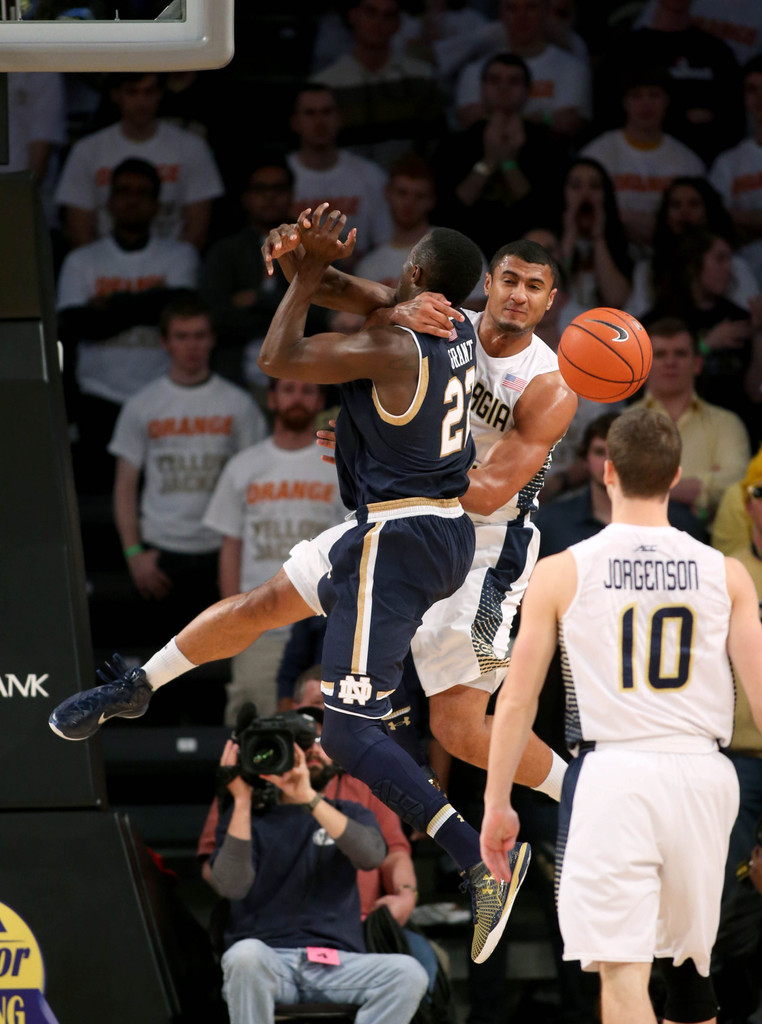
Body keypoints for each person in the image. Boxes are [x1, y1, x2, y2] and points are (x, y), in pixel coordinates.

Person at [51, 211, 543, 965]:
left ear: (416, 275)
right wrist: (302, 261)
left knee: (346, 731)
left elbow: (278, 356)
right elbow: (353, 291)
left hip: (402, 535)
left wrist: (310, 271)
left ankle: (477, 859)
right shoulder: (452, 328)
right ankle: (139, 686)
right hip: (409, 526)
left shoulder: (390, 338)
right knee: (262, 605)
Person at [480, 405, 762, 1024]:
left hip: (615, 774)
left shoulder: (559, 572)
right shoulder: (729, 574)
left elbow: (518, 700)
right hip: (704, 774)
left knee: (623, 973)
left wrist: (497, 801)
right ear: (676, 473)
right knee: (694, 977)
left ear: (607, 471)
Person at [208, 724, 429, 1024]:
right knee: (243, 957)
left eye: (319, 743)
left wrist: (309, 798)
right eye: (299, 743)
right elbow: (231, 886)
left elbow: (372, 857)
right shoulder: (248, 819)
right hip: (270, 960)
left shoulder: (351, 811)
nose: (311, 750)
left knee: (408, 974)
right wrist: (243, 799)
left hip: (339, 963)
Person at [107, 292, 267, 637]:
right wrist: (134, 554)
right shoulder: (142, 405)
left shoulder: (238, 405)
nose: (191, 346)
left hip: (220, 552)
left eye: (199, 335)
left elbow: (257, 486)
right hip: (161, 554)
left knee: (221, 665)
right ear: (165, 342)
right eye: (181, 336)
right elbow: (124, 487)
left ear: (212, 339)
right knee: (160, 674)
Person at [202, 378, 345, 725]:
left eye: (307, 390)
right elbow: (231, 547)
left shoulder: (337, 464)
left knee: (327, 735)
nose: (298, 397)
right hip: (258, 625)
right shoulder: (243, 465)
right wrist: (235, 619)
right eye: (289, 389)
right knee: (254, 730)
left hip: (320, 624)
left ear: (319, 401)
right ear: (272, 399)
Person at [56, 156, 200, 493]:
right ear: (109, 202)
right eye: (123, 191)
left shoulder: (179, 256)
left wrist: (112, 305)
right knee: (98, 499)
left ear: (156, 204)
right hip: (97, 398)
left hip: (162, 395)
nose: (132, 199)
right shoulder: (82, 261)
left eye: (142, 192)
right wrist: (151, 303)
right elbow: (77, 325)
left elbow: (180, 309)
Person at [54, 71, 225, 251]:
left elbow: (197, 230)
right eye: (132, 92)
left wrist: (176, 266)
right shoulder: (87, 151)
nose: (142, 102)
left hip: (172, 268)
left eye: (149, 92)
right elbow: (79, 229)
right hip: (103, 270)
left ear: (161, 93)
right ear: (116, 95)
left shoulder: (192, 148)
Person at [433, 52, 568, 261]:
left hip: (525, 259)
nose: (503, 88)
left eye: (514, 81)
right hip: (466, 256)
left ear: (527, 91)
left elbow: (544, 217)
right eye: (494, 80)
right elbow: (446, 214)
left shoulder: (548, 147)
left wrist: (508, 163)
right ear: (482, 89)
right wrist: (488, 162)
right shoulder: (454, 145)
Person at [630, 316, 751, 523]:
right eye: (660, 354)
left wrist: (650, 487)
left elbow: (736, 482)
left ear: (697, 364)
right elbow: (618, 485)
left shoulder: (727, 423)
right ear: (644, 365)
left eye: (680, 353)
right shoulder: (624, 423)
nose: (670, 362)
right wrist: (704, 486)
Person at [535, 411, 707, 554]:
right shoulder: (551, 522)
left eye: (618, 452)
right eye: (599, 451)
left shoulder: (681, 523)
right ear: (585, 459)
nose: (608, 461)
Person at [580, 65, 705, 253]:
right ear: (624, 102)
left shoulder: (688, 162)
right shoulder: (597, 154)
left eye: (654, 95)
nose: (646, 105)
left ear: (667, 101)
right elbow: (582, 214)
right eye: (636, 96)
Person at [310, 0, 447, 170]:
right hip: (347, 189)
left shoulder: (422, 77)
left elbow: (436, 143)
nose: (378, 23)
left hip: (406, 188)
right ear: (353, 16)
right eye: (370, 12)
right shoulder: (326, 84)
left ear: (397, 23)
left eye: (388, 16)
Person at [453, 0, 593, 141]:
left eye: (531, 7)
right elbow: (470, 118)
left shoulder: (572, 68)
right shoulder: (475, 69)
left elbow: (570, 122)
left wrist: (502, 119)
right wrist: (543, 118)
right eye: (512, 8)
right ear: (501, 14)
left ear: (545, 11)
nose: (522, 17)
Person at [286, 83, 392, 266]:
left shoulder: (370, 175)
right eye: (310, 113)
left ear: (340, 118)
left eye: (327, 112)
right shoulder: (280, 176)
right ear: (295, 122)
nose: (319, 121)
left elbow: (385, 242)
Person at [627, 176, 760, 320]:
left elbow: (751, 319)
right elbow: (636, 326)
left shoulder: (733, 265)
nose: (684, 212)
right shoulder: (647, 270)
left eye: (694, 204)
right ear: (666, 216)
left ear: (709, 212)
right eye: (676, 205)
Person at [554, 157, 632, 314]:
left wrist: (598, 238)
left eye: (594, 186)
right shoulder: (550, 240)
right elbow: (551, 289)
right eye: (576, 186)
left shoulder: (620, 244)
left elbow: (615, 299)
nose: (585, 193)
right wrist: (570, 235)